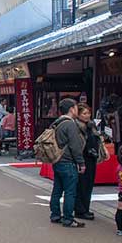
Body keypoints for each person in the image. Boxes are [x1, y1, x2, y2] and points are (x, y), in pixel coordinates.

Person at [49, 98, 86, 228]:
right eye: (76, 107)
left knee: (57, 189)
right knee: (70, 191)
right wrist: (81, 163)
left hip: (57, 160)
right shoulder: (70, 124)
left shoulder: (57, 122)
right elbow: (75, 146)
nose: (77, 110)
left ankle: (55, 214)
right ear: (71, 109)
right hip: (68, 162)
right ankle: (68, 218)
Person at [75, 103, 100, 220]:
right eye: (84, 113)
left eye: (88, 113)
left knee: (89, 184)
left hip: (92, 158)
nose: (87, 115)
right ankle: (80, 210)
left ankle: (86, 208)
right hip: (82, 157)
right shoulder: (76, 126)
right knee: (81, 184)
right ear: (78, 114)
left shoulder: (92, 125)